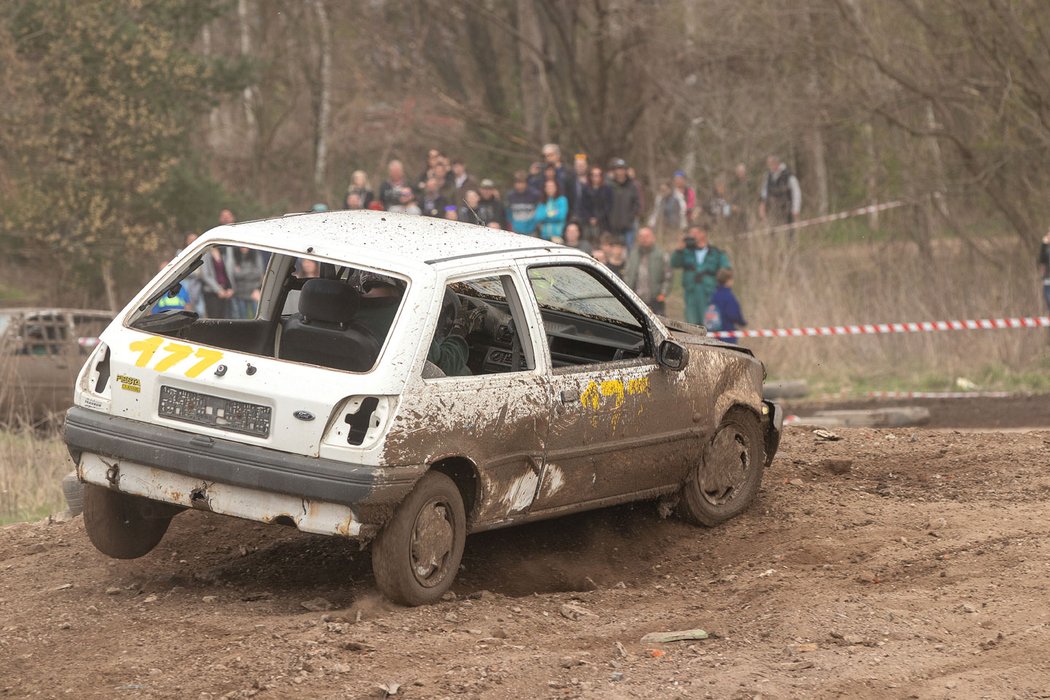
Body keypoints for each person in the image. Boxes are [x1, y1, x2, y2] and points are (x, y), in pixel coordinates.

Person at [670, 226, 731, 326]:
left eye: (695, 233)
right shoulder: (686, 252)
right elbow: (674, 263)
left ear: (703, 234)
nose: (692, 235)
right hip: (691, 295)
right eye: (690, 233)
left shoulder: (716, 253)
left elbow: (727, 269)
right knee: (691, 325)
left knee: (711, 325)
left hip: (709, 294)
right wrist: (679, 248)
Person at [623, 227, 672, 314]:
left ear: (653, 238)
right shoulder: (633, 255)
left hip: (655, 300)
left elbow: (668, 276)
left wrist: (662, 294)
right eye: (641, 236)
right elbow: (626, 274)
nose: (644, 239)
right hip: (634, 299)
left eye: (647, 236)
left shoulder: (661, 255)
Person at [759, 155, 801, 226]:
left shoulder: (788, 175)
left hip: (788, 209)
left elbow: (796, 192)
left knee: (789, 232)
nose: (771, 167)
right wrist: (762, 207)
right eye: (769, 165)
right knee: (773, 231)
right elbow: (764, 193)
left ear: (777, 163)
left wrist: (796, 209)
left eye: (772, 164)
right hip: (773, 210)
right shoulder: (768, 176)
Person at [608, 158, 641, 248]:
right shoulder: (609, 186)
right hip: (613, 226)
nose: (620, 172)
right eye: (617, 169)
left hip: (629, 226)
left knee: (630, 249)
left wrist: (631, 216)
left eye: (622, 169)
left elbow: (637, 203)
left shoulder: (632, 186)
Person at [709, 268, 746, 342]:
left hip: (714, 335)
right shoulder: (729, 297)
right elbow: (733, 314)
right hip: (727, 334)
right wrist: (742, 322)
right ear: (728, 281)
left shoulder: (714, 296)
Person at [578, 166, 612, 244]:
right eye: (593, 175)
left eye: (597, 175)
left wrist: (598, 217)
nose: (595, 178)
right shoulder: (585, 189)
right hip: (587, 221)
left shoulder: (607, 189)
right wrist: (589, 217)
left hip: (603, 222)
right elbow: (583, 205)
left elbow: (608, 206)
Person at [201, 246, 235, 318]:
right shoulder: (206, 254)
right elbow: (205, 275)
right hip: (211, 292)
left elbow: (228, 272)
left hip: (225, 290)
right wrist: (218, 290)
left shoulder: (223, 253)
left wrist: (230, 287)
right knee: (214, 319)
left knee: (224, 319)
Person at [231, 246, 265, 318]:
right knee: (243, 318)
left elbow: (259, 272)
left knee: (257, 317)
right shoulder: (235, 256)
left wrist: (242, 272)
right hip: (240, 292)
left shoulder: (255, 255)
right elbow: (235, 274)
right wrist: (251, 271)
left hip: (254, 291)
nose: (243, 248)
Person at [506, 170, 540, 235]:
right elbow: (508, 213)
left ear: (526, 183)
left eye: (521, 182)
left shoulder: (535, 195)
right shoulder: (510, 196)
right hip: (515, 231)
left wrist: (534, 225)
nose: (519, 185)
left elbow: (538, 211)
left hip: (531, 231)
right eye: (517, 182)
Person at [1040, 230, 1050, 313]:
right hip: (1047, 278)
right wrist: (1044, 245)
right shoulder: (1046, 248)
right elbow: (1041, 260)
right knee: (1048, 299)